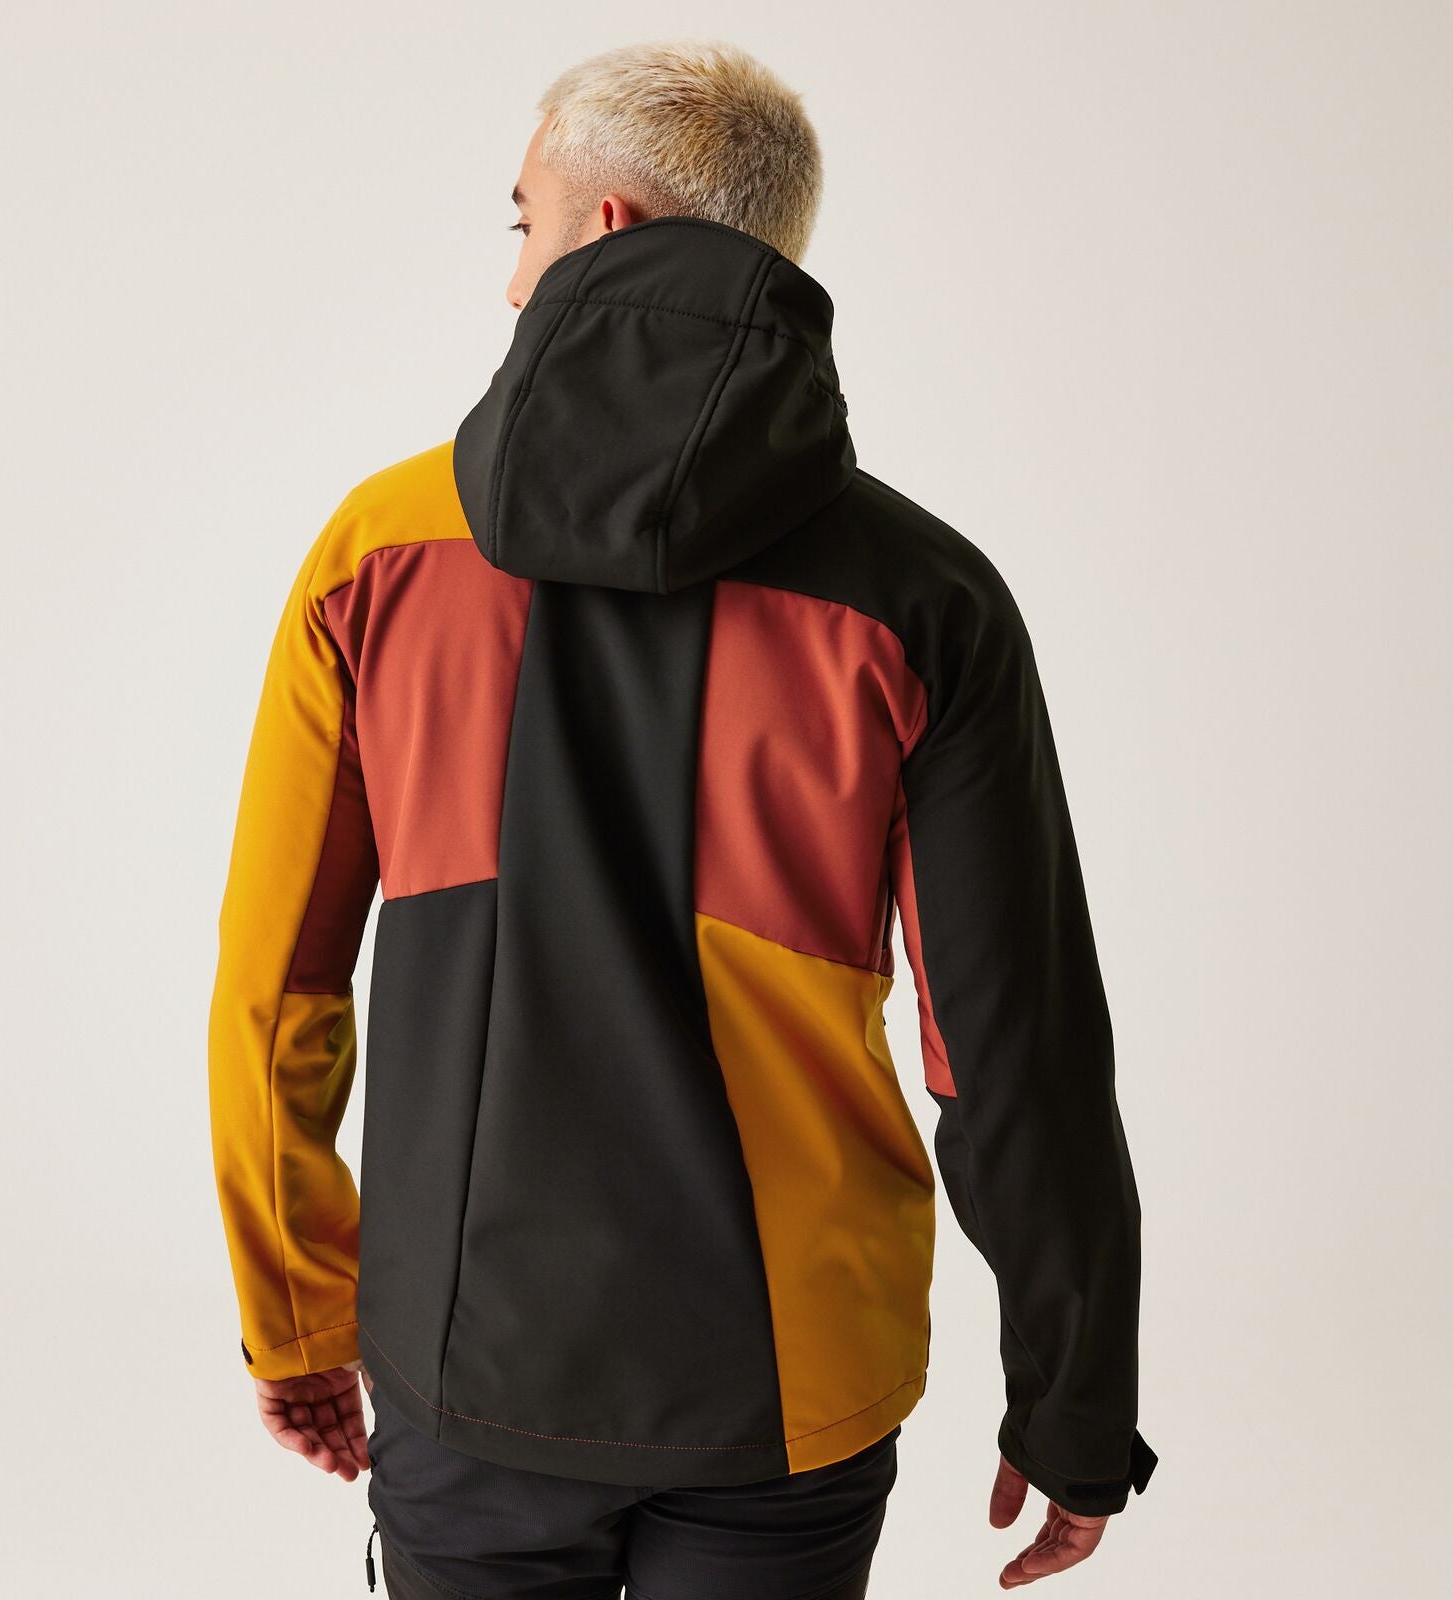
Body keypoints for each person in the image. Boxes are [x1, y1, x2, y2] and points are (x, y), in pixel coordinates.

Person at [207, 38, 1156, 1599]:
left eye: (521, 221)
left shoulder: (378, 555)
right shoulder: (923, 599)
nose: (511, 275)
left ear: (609, 228)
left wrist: (298, 1315)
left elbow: (276, 994)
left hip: (465, 1365)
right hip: (788, 1385)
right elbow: (1012, 1048)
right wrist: (1075, 1399)